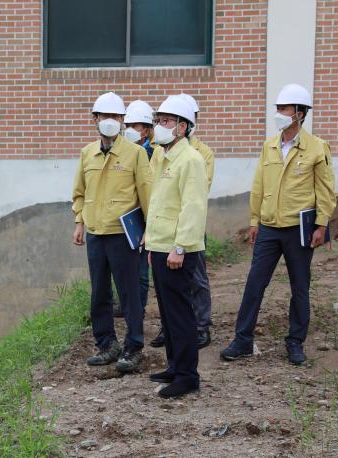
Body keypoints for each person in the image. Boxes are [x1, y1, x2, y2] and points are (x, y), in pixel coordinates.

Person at [220, 83, 336, 365]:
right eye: (278, 108)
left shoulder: (317, 148)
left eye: (284, 109)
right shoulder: (269, 146)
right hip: (270, 228)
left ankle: (295, 342)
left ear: (299, 113)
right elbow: (258, 185)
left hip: (300, 228)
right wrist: (254, 220)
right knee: (254, 283)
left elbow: (325, 190)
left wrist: (321, 225)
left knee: (300, 286)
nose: (279, 113)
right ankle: (243, 340)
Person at [72, 92, 153, 373]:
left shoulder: (136, 153)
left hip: (122, 234)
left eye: (116, 117)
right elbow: (79, 192)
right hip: (95, 233)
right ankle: (107, 344)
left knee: (129, 293)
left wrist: (149, 230)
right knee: (99, 293)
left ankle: (134, 347)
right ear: (94, 120)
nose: (110, 121)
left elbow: (147, 194)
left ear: (123, 121)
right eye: (104, 116)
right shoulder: (87, 153)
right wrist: (79, 222)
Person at [146, 95, 208, 398]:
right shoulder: (164, 157)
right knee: (168, 313)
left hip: (178, 249)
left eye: (167, 122)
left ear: (183, 128)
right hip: (161, 246)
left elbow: (193, 208)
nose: (160, 126)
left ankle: (187, 376)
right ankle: (174, 365)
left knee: (181, 313)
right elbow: (159, 203)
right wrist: (151, 242)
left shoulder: (191, 160)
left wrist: (180, 247)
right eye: (159, 121)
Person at [123, 100, 156, 313]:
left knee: (142, 269)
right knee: (126, 267)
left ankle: (140, 307)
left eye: (135, 126)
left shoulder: (153, 153)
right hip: (128, 216)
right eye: (128, 126)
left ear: (145, 130)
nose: (130, 131)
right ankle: (127, 304)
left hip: (146, 216)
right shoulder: (123, 152)